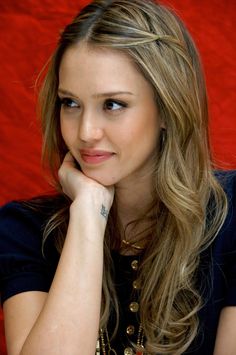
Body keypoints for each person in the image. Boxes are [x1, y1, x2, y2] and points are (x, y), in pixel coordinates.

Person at [0, 0, 235, 354]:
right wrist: (89, 213)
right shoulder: (24, 231)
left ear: (168, 109)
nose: (85, 132)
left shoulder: (231, 218)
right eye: (70, 103)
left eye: (112, 104)